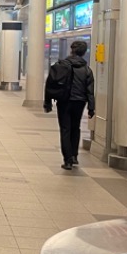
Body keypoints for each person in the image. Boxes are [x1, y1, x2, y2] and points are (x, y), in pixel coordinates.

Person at [44, 39, 95, 170]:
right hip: (79, 102)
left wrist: (47, 102)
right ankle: (74, 156)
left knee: (65, 129)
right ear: (84, 53)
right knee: (75, 128)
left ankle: (67, 160)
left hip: (64, 101)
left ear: (71, 50)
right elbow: (90, 91)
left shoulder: (61, 65)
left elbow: (50, 83)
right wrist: (91, 108)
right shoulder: (87, 70)